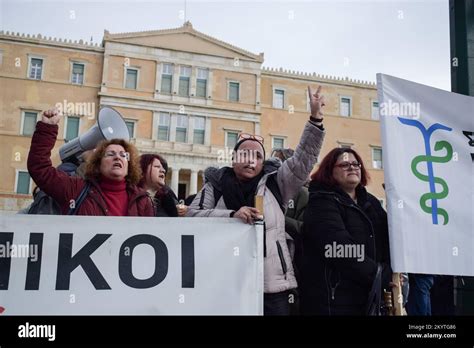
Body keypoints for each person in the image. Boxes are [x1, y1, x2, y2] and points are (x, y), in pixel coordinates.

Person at [187, 86, 326, 315]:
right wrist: (231, 216)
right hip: (224, 283)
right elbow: (191, 217)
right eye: (244, 154)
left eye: (258, 156)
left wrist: (315, 119)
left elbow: (302, 160)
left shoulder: (277, 183)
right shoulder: (215, 185)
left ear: (263, 162)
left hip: (272, 287)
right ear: (233, 159)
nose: (251, 161)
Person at [300, 148, 393, 315]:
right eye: (344, 164)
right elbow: (339, 248)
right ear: (330, 171)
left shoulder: (371, 202)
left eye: (355, 163)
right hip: (334, 301)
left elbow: (389, 237)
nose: (352, 167)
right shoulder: (321, 201)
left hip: (367, 298)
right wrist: (379, 274)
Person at [27, 108, 154, 216]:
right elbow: (40, 168)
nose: (118, 157)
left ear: (129, 164)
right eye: (110, 154)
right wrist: (47, 129)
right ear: (98, 163)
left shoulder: (142, 200)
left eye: (123, 155)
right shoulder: (75, 189)